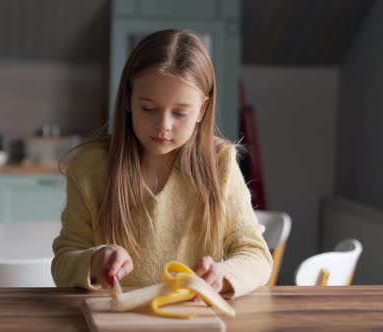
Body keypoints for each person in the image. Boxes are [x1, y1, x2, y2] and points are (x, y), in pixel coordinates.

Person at [52, 29, 272, 298]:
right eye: (148, 108)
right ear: (128, 100)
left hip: (191, 321)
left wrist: (223, 275)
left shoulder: (220, 164)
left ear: (202, 110)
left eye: (180, 113)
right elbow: (63, 261)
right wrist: (93, 261)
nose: (163, 126)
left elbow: (256, 255)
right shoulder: (90, 167)